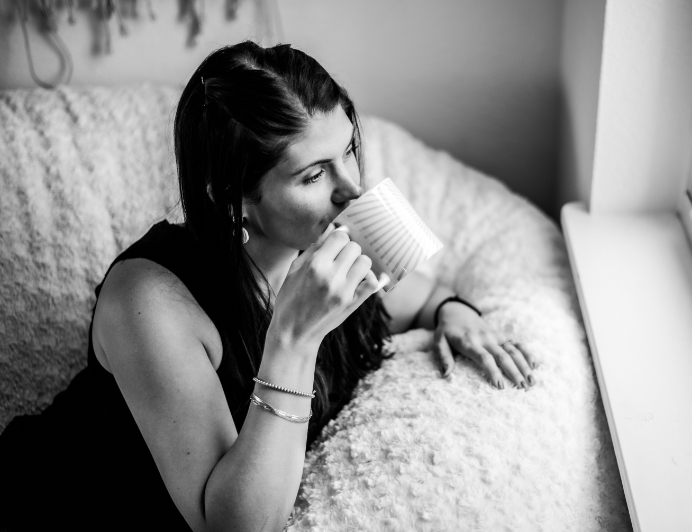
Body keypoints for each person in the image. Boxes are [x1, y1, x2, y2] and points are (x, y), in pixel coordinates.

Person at [0, 41, 537, 532]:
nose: (352, 187)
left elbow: (421, 295)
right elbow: (232, 526)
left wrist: (455, 313)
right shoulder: (150, 301)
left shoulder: (330, 240)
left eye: (348, 149)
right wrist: (294, 340)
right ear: (230, 195)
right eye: (313, 175)